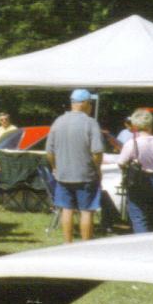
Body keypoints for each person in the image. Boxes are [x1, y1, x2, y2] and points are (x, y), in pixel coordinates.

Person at [45, 89, 105, 243]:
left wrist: (55, 167)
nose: (91, 106)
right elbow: (97, 152)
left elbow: (49, 151)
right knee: (87, 211)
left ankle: (68, 244)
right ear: (84, 103)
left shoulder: (58, 121)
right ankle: (85, 245)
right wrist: (97, 169)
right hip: (86, 175)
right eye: (90, 103)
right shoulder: (90, 123)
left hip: (63, 175)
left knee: (67, 209)